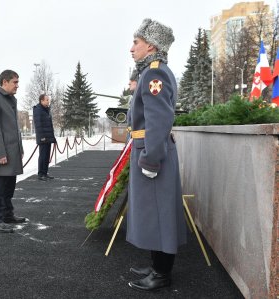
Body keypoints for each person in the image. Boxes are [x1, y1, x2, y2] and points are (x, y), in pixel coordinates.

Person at [126, 18, 186, 292]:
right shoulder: (151, 72)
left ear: (150, 45)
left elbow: (158, 120)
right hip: (149, 150)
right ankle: (156, 265)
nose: (131, 48)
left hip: (152, 154)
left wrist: (151, 158)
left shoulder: (154, 74)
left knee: (160, 214)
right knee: (152, 213)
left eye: (136, 42)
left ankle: (162, 273)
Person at [0, 70, 26, 233]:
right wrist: (0, 153)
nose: (17, 85)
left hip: (13, 152)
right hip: (2, 153)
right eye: (15, 82)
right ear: (5, 82)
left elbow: (14, 129)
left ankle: (8, 215)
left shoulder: (10, 99)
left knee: (9, 185)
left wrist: (20, 148)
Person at [33, 94, 57, 181]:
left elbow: (49, 125)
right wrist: (42, 137)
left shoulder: (46, 110)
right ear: (41, 101)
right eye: (46, 100)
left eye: (48, 100)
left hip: (48, 137)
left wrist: (52, 137)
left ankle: (45, 173)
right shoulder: (38, 110)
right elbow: (38, 125)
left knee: (47, 156)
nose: (48, 101)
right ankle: (41, 174)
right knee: (43, 156)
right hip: (43, 138)